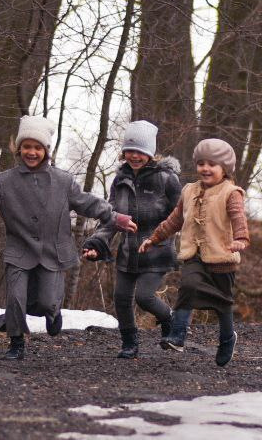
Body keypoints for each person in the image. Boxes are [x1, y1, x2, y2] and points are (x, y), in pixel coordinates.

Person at [0, 115, 137, 361]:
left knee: (47, 302)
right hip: (19, 249)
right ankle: (16, 343)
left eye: (37, 148)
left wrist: (115, 217)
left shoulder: (62, 181)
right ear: (18, 149)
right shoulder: (5, 180)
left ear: (46, 151)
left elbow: (87, 202)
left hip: (52, 251)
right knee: (15, 297)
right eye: (27, 147)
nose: (31, 152)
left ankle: (53, 315)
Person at [139, 138, 249, 367]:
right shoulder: (189, 191)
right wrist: (154, 238)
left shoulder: (231, 192)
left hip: (221, 257)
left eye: (212, 164)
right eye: (201, 163)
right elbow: (174, 220)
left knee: (223, 304)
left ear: (225, 168)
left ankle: (228, 338)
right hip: (194, 254)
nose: (205, 168)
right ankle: (178, 334)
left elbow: (238, 218)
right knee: (188, 286)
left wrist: (240, 239)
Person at [81, 120, 182, 358]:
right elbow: (112, 217)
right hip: (128, 251)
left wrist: (174, 239)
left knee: (144, 297)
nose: (134, 156)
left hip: (158, 250)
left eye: (140, 151)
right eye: (130, 150)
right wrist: (96, 244)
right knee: (121, 298)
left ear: (150, 153)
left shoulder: (166, 179)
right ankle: (129, 342)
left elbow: (181, 214)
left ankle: (170, 320)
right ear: (124, 152)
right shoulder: (120, 181)